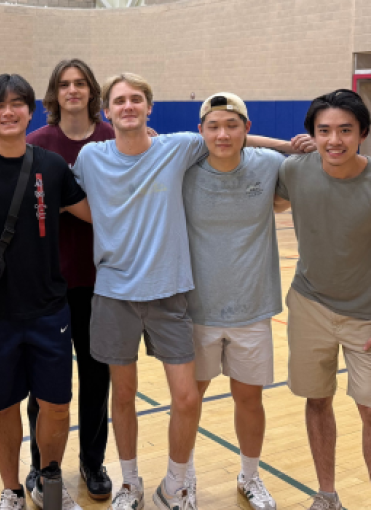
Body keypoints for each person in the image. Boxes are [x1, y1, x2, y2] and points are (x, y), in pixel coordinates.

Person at [72, 72, 311, 510]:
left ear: (149, 108)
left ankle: (179, 482)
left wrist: (290, 146)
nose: (128, 106)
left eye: (136, 99)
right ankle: (131, 484)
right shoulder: (91, 156)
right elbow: (73, 197)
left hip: (173, 294)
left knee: (187, 398)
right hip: (114, 292)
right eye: (119, 100)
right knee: (122, 395)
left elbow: (238, 139)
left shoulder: (176, 148)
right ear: (107, 111)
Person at [0, 73, 92, 510]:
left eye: (17, 104)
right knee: (3, 406)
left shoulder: (51, 166)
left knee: (57, 406)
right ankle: (11, 488)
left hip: (49, 309)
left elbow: (99, 215)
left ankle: (49, 481)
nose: (7, 112)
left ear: (31, 111)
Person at [182, 92, 287, 510]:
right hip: (196, 310)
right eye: (213, 126)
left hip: (252, 308)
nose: (222, 133)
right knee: (189, 400)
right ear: (200, 132)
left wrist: (285, 146)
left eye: (232, 125)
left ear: (247, 129)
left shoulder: (270, 166)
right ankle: (183, 477)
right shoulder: (184, 168)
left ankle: (250, 476)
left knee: (250, 400)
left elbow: (298, 186)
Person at [274, 89, 371, 510]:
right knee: (318, 400)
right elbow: (241, 142)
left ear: (363, 134)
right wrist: (287, 145)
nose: (335, 140)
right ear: (311, 133)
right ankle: (326, 495)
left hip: (367, 316)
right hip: (310, 304)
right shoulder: (296, 170)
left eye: (345, 130)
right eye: (324, 130)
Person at [24, 58, 115, 501]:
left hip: (104, 280)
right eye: (65, 84)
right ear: (55, 93)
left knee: (97, 377)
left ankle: (93, 462)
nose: (73, 90)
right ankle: (41, 464)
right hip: (50, 280)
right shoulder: (37, 143)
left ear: (92, 91)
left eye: (80, 83)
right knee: (45, 383)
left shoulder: (115, 138)